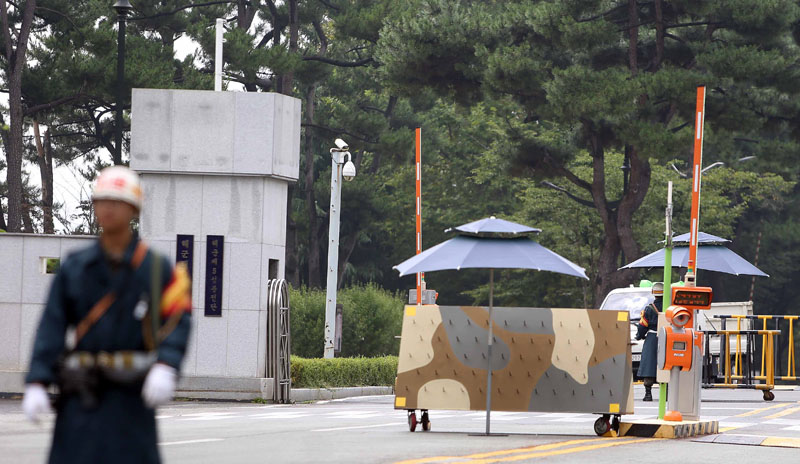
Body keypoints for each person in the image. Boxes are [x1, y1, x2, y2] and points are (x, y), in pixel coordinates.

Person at [21, 166, 192, 464]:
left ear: (133, 209)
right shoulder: (75, 267)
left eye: (116, 201)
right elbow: (52, 324)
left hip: (131, 399)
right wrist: (37, 380)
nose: (107, 207)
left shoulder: (155, 268)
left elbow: (178, 318)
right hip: (80, 397)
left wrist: (167, 364)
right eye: (102, 200)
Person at [636, 286, 663, 402]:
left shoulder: (649, 309)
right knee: (665, 365)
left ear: (654, 293)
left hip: (652, 338)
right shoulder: (671, 308)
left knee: (649, 365)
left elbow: (643, 326)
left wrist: (639, 336)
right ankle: (666, 394)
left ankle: (648, 394)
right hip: (667, 337)